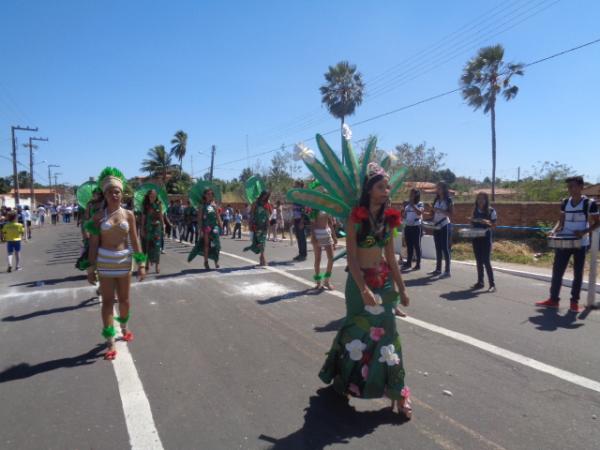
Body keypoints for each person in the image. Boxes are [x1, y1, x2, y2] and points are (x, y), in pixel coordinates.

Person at [318, 162, 411, 418]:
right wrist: (362, 290)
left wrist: (402, 289)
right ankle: (343, 380)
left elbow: (391, 258)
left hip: (383, 282)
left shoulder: (390, 218)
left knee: (389, 335)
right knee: (356, 331)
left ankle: (399, 393)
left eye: (388, 186)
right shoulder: (355, 218)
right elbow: (352, 259)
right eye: (381, 186)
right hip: (359, 282)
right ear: (370, 190)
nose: (386, 190)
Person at [86, 167, 146, 360]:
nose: (114, 195)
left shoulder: (129, 215)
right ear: (105, 194)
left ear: (122, 194)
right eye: (111, 192)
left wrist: (141, 263)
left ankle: (124, 325)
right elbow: (93, 244)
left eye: (117, 191)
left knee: (125, 300)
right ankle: (110, 339)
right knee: (107, 301)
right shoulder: (97, 217)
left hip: (124, 262)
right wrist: (90, 266)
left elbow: (135, 239)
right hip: (105, 263)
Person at [536, 176, 599, 313]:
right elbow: (561, 222)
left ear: (581, 187)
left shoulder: (589, 203)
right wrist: (553, 231)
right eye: (569, 186)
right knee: (557, 271)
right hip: (564, 240)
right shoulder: (565, 202)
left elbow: (597, 222)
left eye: (573, 186)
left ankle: (574, 302)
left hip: (580, 243)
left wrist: (584, 231)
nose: (570, 189)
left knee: (578, 273)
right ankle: (553, 300)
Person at [189, 188, 222, 269]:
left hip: (214, 227)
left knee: (216, 245)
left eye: (211, 194)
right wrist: (200, 230)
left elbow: (217, 216)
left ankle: (216, 261)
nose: (210, 195)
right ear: (205, 195)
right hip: (206, 227)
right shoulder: (202, 206)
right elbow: (199, 219)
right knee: (206, 245)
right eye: (208, 194)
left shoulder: (214, 205)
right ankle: (206, 262)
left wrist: (220, 224)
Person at [470, 192, 497, 292]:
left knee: (486, 260)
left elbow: (494, 226)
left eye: (482, 199)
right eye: (479, 199)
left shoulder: (491, 211)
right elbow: (472, 223)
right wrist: (472, 223)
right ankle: (480, 282)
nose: (480, 201)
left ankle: (492, 285)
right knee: (478, 261)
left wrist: (486, 222)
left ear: (486, 200)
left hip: (486, 238)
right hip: (476, 238)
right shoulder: (474, 210)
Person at [429, 181, 453, 277]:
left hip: (444, 225)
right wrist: (431, 213)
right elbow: (433, 214)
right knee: (438, 248)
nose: (437, 190)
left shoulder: (448, 200)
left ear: (444, 189)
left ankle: (447, 271)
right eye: (437, 188)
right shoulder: (436, 200)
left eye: (439, 188)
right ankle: (438, 269)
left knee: (445, 248)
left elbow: (450, 214)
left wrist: (438, 210)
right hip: (436, 226)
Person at [310, 210, 337, 290]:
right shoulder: (314, 208)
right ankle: (318, 281)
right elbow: (312, 225)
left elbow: (330, 223)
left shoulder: (327, 206)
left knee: (331, 258)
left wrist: (334, 236)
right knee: (318, 259)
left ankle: (326, 280)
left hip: (327, 234)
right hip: (317, 234)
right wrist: (314, 237)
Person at [244, 190, 271, 266]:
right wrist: (250, 223)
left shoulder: (267, 203)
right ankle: (262, 257)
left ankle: (262, 257)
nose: (265, 197)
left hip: (264, 225)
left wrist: (268, 222)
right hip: (257, 225)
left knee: (263, 241)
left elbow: (268, 214)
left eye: (267, 195)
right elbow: (252, 213)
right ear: (262, 195)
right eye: (264, 195)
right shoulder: (255, 203)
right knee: (260, 241)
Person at [141, 189, 164, 274]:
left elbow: (161, 216)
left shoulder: (159, 204)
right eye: (151, 196)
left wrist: (163, 227)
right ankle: (146, 264)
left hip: (157, 229)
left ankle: (157, 265)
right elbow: (143, 218)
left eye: (154, 196)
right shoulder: (145, 205)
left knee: (157, 247)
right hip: (148, 228)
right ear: (148, 196)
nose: (153, 197)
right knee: (147, 246)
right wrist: (142, 229)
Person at [401, 189, 424, 271]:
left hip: (416, 227)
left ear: (416, 195)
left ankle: (418, 264)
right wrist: (403, 212)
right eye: (410, 194)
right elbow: (404, 215)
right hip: (408, 226)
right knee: (409, 245)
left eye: (412, 194)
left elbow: (419, 213)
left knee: (417, 245)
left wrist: (412, 205)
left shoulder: (420, 203)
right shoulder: (407, 205)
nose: (410, 195)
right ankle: (409, 263)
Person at [292, 181, 308, 261]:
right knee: (298, 237)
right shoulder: (296, 197)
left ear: (300, 186)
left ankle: (303, 255)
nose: (295, 186)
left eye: (296, 185)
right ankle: (300, 253)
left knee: (302, 237)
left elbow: (304, 210)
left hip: (300, 219)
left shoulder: (302, 197)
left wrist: (302, 221)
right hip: (296, 219)